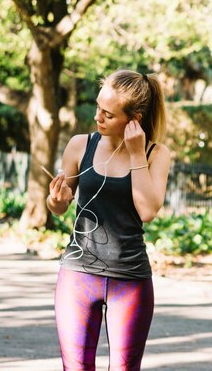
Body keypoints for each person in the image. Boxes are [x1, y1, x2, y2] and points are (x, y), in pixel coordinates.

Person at [46, 70, 170, 371]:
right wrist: (56, 200)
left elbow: (148, 211)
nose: (97, 117)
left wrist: (136, 153)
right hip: (77, 276)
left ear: (134, 119)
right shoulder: (80, 145)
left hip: (130, 281)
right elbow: (59, 207)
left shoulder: (156, 154)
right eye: (98, 108)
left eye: (108, 114)